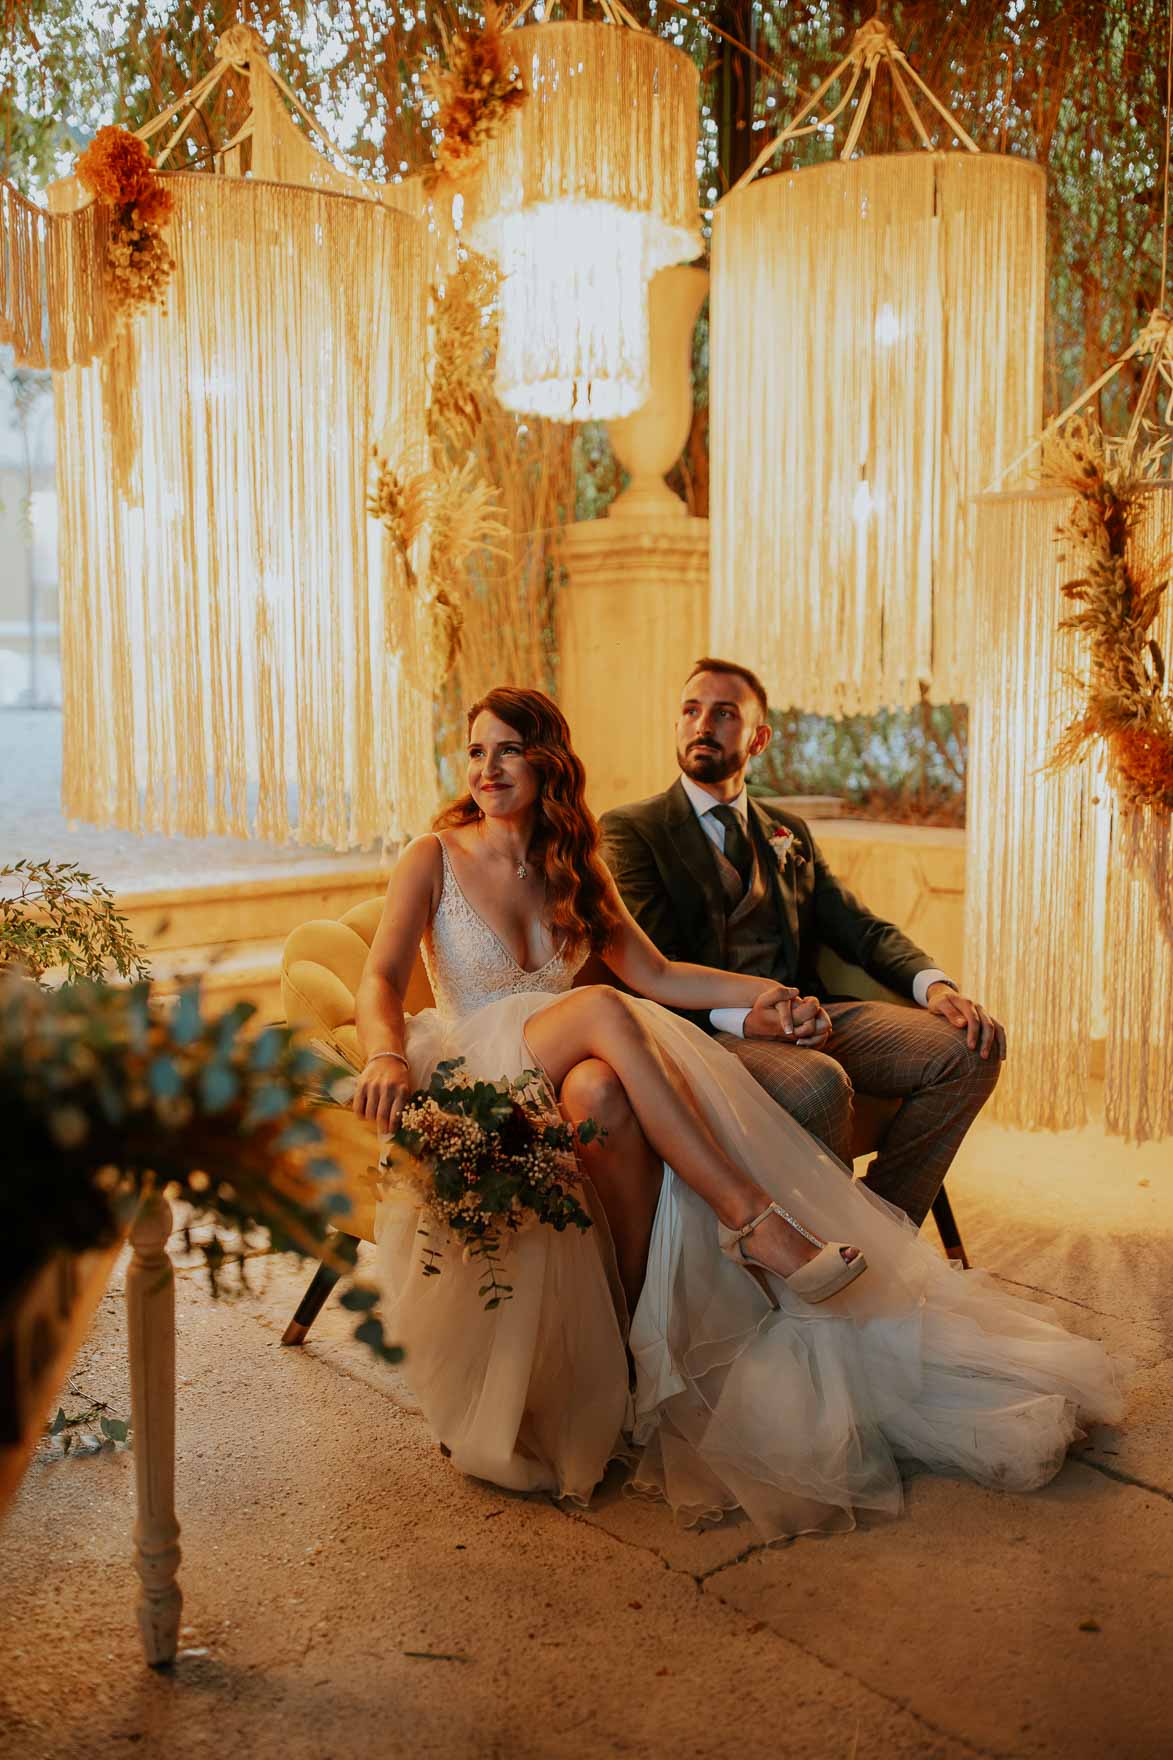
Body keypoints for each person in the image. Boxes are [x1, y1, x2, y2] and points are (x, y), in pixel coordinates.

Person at [353, 686, 1120, 1541]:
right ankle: (750, 1218)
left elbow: (660, 976)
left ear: (546, 762)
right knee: (607, 1018)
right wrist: (385, 1051)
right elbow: (381, 978)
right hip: (474, 1063)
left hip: (559, 1070)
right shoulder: (435, 853)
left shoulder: (574, 860)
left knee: (601, 1092)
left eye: (507, 750)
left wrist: (764, 992)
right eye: (474, 752)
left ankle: (631, 1342)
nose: (487, 769)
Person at [601, 657, 1004, 1229]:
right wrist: (749, 1018)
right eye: (690, 711)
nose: (701, 726)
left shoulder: (789, 831)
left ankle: (882, 1230)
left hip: (814, 1014)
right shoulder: (630, 829)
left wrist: (933, 985)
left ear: (758, 738)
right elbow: (655, 969)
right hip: (710, 1034)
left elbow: (858, 927)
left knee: (971, 1048)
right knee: (817, 1085)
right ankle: (829, 1254)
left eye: (723, 714)